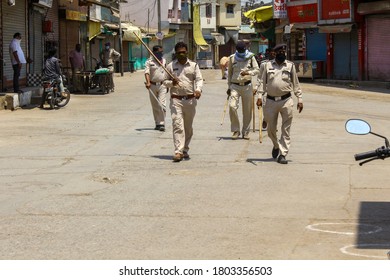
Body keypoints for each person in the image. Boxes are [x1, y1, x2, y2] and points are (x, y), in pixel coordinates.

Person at [256, 44, 303, 164]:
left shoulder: (290, 65)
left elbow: (296, 83)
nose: (282, 53)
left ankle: (283, 154)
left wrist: (300, 99)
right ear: (275, 53)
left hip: (286, 101)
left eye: (284, 51)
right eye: (280, 51)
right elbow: (262, 82)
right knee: (271, 129)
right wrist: (260, 96)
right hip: (271, 101)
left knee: (286, 129)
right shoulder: (267, 65)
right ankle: (276, 145)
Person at [164, 42, 203, 162]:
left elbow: (199, 79)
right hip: (176, 99)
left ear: (187, 52)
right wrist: (172, 83)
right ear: (176, 53)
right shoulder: (170, 66)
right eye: (179, 52)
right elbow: (165, 81)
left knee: (188, 127)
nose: (181, 54)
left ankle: (185, 148)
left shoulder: (193, 65)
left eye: (183, 52)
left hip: (190, 100)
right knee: (177, 125)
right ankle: (178, 151)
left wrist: (198, 90)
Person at [226, 40, 259, 140]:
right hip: (235, 86)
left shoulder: (250, 56)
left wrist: (248, 72)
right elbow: (230, 73)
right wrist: (229, 87)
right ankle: (236, 130)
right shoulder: (232, 58)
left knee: (247, 110)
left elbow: (257, 69)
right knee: (232, 106)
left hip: (247, 86)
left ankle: (245, 132)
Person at [144, 45, 168, 131]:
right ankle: (157, 123)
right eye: (159, 52)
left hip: (162, 85)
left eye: (162, 52)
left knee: (161, 105)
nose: (161, 53)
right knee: (154, 105)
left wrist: (168, 83)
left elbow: (166, 72)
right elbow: (147, 73)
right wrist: (148, 82)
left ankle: (162, 123)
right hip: (152, 86)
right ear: (154, 53)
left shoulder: (164, 60)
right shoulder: (149, 62)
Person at [257, 47, 276, 131]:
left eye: (274, 52)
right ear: (268, 53)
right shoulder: (264, 64)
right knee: (265, 107)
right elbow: (259, 78)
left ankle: (273, 125)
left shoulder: (280, 64)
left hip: (275, 89)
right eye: (272, 52)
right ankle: (265, 119)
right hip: (266, 88)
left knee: (275, 109)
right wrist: (257, 89)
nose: (273, 54)